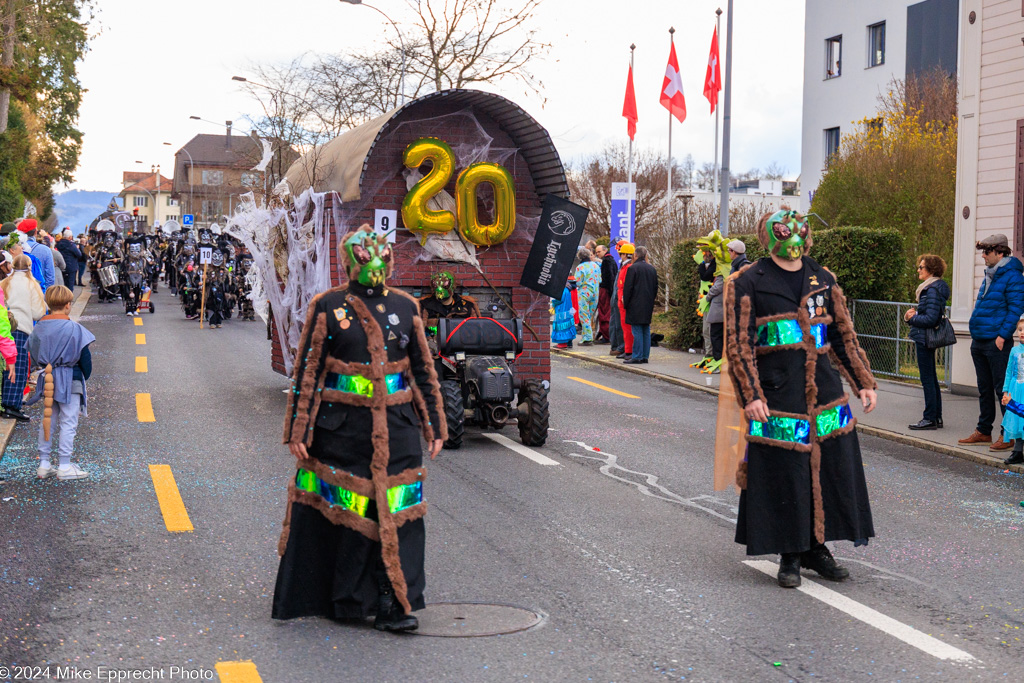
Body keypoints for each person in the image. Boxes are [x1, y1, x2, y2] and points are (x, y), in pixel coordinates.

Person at [275, 225, 445, 632]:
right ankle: (348, 597)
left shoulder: (407, 307)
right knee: (352, 514)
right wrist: (299, 430)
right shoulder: (328, 306)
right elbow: (307, 372)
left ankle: (395, 601)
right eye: (364, 257)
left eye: (380, 256)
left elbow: (423, 369)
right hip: (342, 431)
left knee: (401, 512)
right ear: (350, 261)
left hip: (399, 430)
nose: (374, 264)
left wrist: (435, 424)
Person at [725, 209, 877, 588]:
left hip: (826, 394)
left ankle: (816, 546)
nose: (794, 239)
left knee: (829, 468)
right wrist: (751, 394)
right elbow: (738, 345)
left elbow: (842, 335)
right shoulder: (747, 281)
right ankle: (789, 553)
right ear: (770, 236)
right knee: (785, 474)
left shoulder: (822, 279)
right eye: (784, 232)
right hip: (776, 394)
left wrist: (863, 382)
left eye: (800, 232)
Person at [959, 234, 1024, 451]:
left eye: (986, 252)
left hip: (996, 341)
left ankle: (1009, 435)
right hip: (980, 339)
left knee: (1002, 390)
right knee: (984, 389)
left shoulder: (1013, 275)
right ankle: (984, 431)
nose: (983, 256)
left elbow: (1016, 308)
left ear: (1000, 252)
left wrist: (1002, 336)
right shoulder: (990, 274)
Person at [25, 285, 94, 481]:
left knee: (48, 419)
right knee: (68, 422)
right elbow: (85, 359)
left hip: (46, 378)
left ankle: (44, 463)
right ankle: (64, 465)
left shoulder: (39, 328)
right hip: (70, 378)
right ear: (67, 305)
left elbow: (34, 354)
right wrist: (82, 376)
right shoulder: (74, 328)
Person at [904, 254, 951, 431]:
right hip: (926, 337)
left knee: (928, 379)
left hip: (924, 337)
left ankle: (930, 418)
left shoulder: (931, 289)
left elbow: (931, 318)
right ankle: (936, 417)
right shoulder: (934, 288)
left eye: (921, 267)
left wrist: (912, 318)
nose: (918, 269)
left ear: (930, 270)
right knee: (931, 378)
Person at [0, 255, 45, 422]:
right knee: (18, 369)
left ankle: (2, 402)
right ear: (29, 266)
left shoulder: (4, 283)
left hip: (4, 326)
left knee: (4, 367)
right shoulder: (32, 284)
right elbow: (39, 313)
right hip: (21, 328)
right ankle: (12, 405)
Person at [622, 246, 658, 364]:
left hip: (635, 303)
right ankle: (644, 356)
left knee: (636, 330)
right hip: (647, 303)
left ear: (635, 255)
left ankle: (637, 356)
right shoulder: (652, 269)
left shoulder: (633, 269)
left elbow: (628, 288)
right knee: (645, 330)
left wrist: (625, 303)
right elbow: (655, 287)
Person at [1000, 320, 1024, 465]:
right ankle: (1017, 451)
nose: (1022, 332)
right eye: (1020, 329)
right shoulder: (1014, 351)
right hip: (1015, 390)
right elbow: (1009, 371)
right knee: (1016, 420)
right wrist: (1005, 391)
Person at [574, 248, 601, 346]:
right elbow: (600, 279)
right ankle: (586, 336)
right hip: (595, 292)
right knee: (589, 315)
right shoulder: (596, 266)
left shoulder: (580, 267)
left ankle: (587, 338)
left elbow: (578, 282)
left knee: (584, 315)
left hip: (584, 293)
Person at [19, 220, 54, 291]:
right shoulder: (45, 250)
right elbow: (50, 277)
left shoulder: (14, 248)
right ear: (35, 232)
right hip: (38, 291)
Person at [615, 243, 635, 359]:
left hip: (623, 300)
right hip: (622, 299)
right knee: (625, 326)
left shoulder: (627, 268)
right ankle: (627, 349)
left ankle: (629, 350)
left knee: (627, 327)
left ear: (624, 254)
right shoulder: (625, 266)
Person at [595, 244, 617, 343]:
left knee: (604, 312)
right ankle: (605, 333)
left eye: (598, 252)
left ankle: (606, 335)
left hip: (605, 290)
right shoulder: (611, 260)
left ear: (604, 251)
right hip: (610, 290)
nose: (597, 254)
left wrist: (607, 289)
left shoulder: (606, 261)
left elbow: (609, 277)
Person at [698, 248, 717, 359]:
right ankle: (709, 352)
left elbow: (705, 276)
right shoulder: (713, 264)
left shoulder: (715, 264)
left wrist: (702, 263)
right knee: (707, 328)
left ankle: (710, 354)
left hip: (710, 300)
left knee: (708, 328)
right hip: (707, 299)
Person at [552, 281, 577, 350]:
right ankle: (569, 342)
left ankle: (562, 343)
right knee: (568, 325)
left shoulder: (562, 290)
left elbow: (559, 300)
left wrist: (553, 302)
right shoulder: (567, 289)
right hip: (567, 311)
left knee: (562, 326)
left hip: (561, 312)